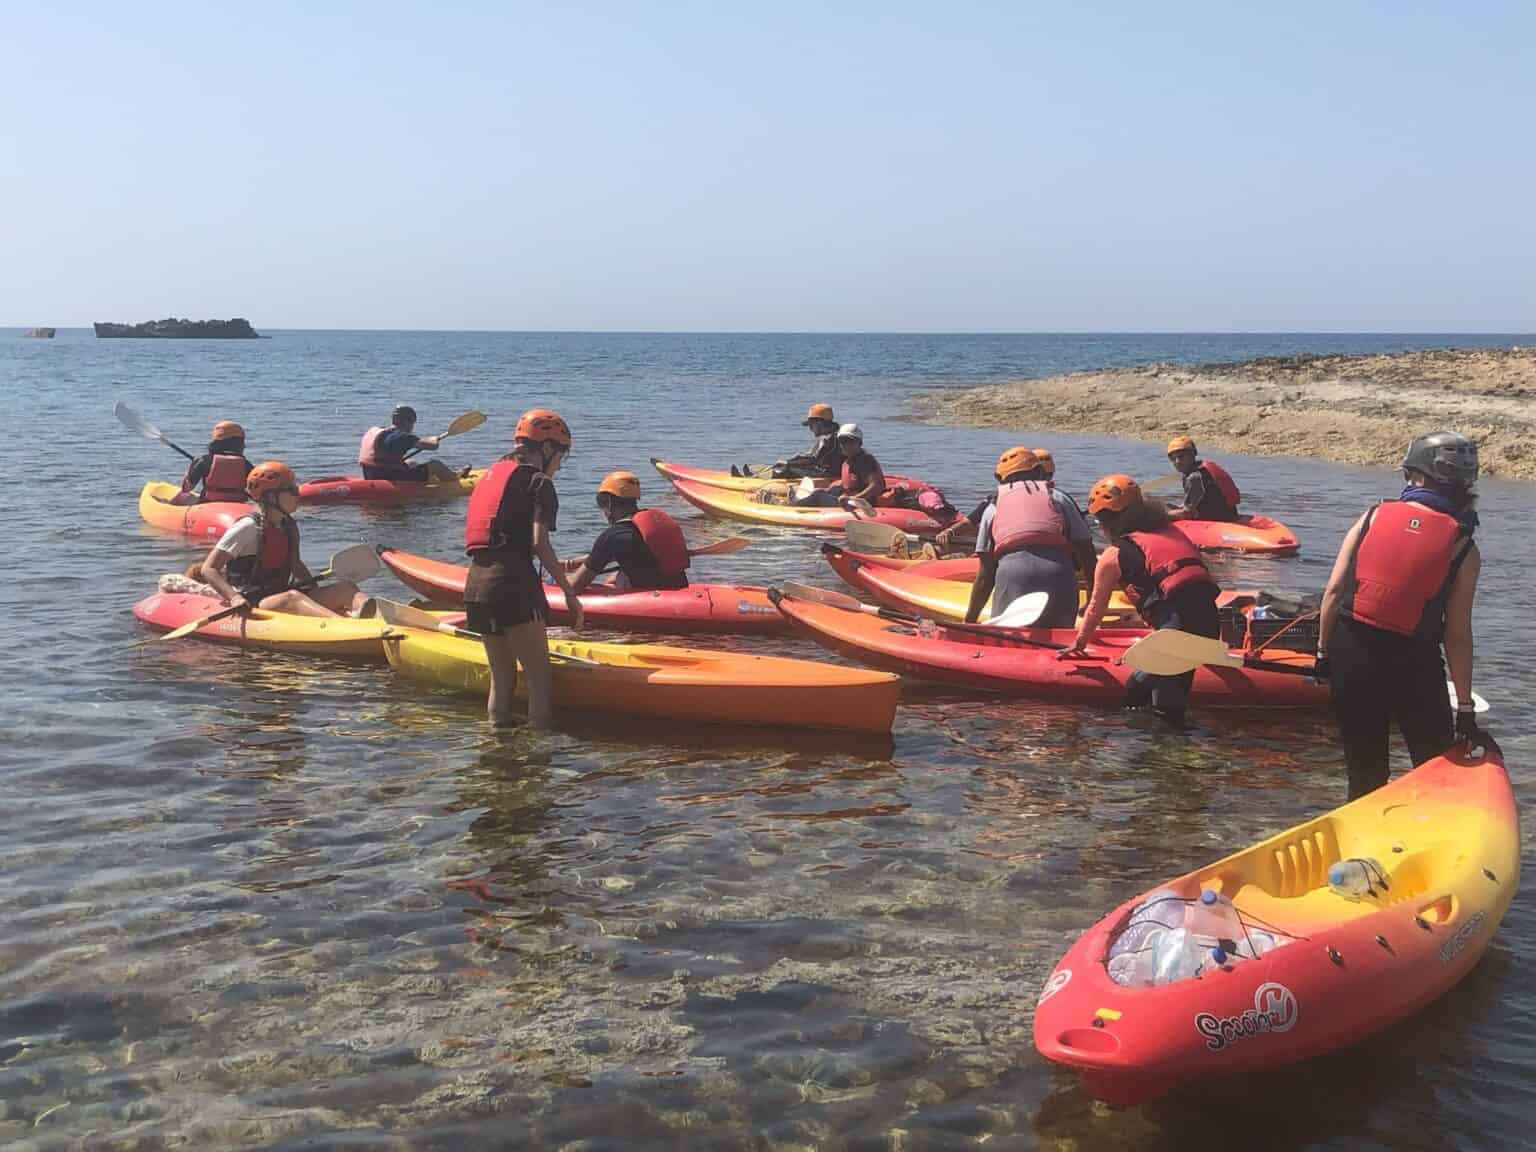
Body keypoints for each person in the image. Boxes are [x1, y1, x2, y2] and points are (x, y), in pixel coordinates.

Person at [1317, 432, 1482, 799]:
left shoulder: (1372, 516)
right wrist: (1465, 706)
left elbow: (1333, 592)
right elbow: (1457, 634)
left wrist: (1323, 654)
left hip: (1351, 650)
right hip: (1415, 661)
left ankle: (1363, 830)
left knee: (1364, 772)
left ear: (1418, 475)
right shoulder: (1464, 546)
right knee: (1433, 767)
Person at [1060, 474, 1221, 725]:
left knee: (1136, 697)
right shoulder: (1172, 532)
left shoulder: (1113, 555)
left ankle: (1147, 746)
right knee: (1166, 704)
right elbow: (1180, 591)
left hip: (1175, 635)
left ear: (1107, 520)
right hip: (1209, 626)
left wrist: (1079, 643)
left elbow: (1095, 608)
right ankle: (1176, 745)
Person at [463, 409, 585, 728]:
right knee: (539, 679)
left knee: (501, 678)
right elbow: (540, 544)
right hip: (512, 584)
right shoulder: (539, 482)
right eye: (560, 456)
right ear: (547, 448)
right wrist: (569, 593)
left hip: (476, 585)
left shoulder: (489, 476)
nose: (559, 465)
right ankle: (539, 753)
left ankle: (497, 747)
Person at [198, 461, 369, 618]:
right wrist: (235, 598)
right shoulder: (248, 527)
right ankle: (345, 625)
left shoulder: (288, 525)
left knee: (346, 588)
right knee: (293, 598)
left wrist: (317, 593)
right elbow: (209, 569)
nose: (297, 495)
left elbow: (296, 565)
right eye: (292, 490)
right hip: (253, 601)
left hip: (281, 594)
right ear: (270, 496)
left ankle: (377, 618)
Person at [964, 448, 1096, 627]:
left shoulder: (992, 508)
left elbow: (985, 575)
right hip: (1059, 573)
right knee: (1060, 635)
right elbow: (1087, 553)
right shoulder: (1059, 498)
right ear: (1039, 471)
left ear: (999, 478)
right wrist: (1091, 599)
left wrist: (970, 621)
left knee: (1009, 636)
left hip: (1012, 575)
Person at [566, 471, 690, 592]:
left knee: (613, 578)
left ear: (609, 502)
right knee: (616, 576)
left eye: (601, 502)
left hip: (651, 599)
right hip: (680, 590)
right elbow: (607, 555)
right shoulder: (655, 523)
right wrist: (569, 564)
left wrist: (560, 578)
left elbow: (574, 587)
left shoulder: (613, 535)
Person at [786, 424, 886, 507]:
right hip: (849, 499)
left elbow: (876, 486)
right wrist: (829, 490)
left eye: (849, 441)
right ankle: (799, 501)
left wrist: (853, 498)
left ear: (859, 443)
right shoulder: (849, 461)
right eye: (842, 441)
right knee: (822, 491)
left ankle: (793, 506)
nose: (845, 445)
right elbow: (849, 485)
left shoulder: (865, 461)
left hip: (862, 504)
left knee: (818, 495)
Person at [358, 405, 461, 484]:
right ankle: (455, 480)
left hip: (370, 475)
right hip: (390, 478)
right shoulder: (401, 437)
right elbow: (433, 446)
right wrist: (434, 439)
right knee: (435, 465)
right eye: (412, 423)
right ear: (407, 422)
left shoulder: (377, 431)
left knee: (411, 462)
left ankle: (436, 477)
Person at [1165, 436, 1240, 522]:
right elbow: (1193, 503)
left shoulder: (1194, 477)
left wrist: (1161, 515)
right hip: (1230, 514)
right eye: (1173, 459)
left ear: (1192, 455)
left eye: (1181, 457)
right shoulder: (1203, 468)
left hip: (1219, 520)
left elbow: (1187, 513)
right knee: (1167, 506)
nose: (1177, 461)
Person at [177, 420, 253, 504]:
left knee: (183, 498)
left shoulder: (204, 461)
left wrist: (192, 467)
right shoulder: (246, 464)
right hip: (238, 504)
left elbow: (186, 488)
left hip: (208, 503)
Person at [763, 403, 843, 479]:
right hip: (834, 471)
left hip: (828, 474)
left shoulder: (827, 438)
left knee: (781, 470)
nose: (810, 428)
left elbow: (812, 459)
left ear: (819, 423)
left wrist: (788, 463)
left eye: (811, 425)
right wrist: (798, 458)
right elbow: (814, 455)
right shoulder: (837, 434)